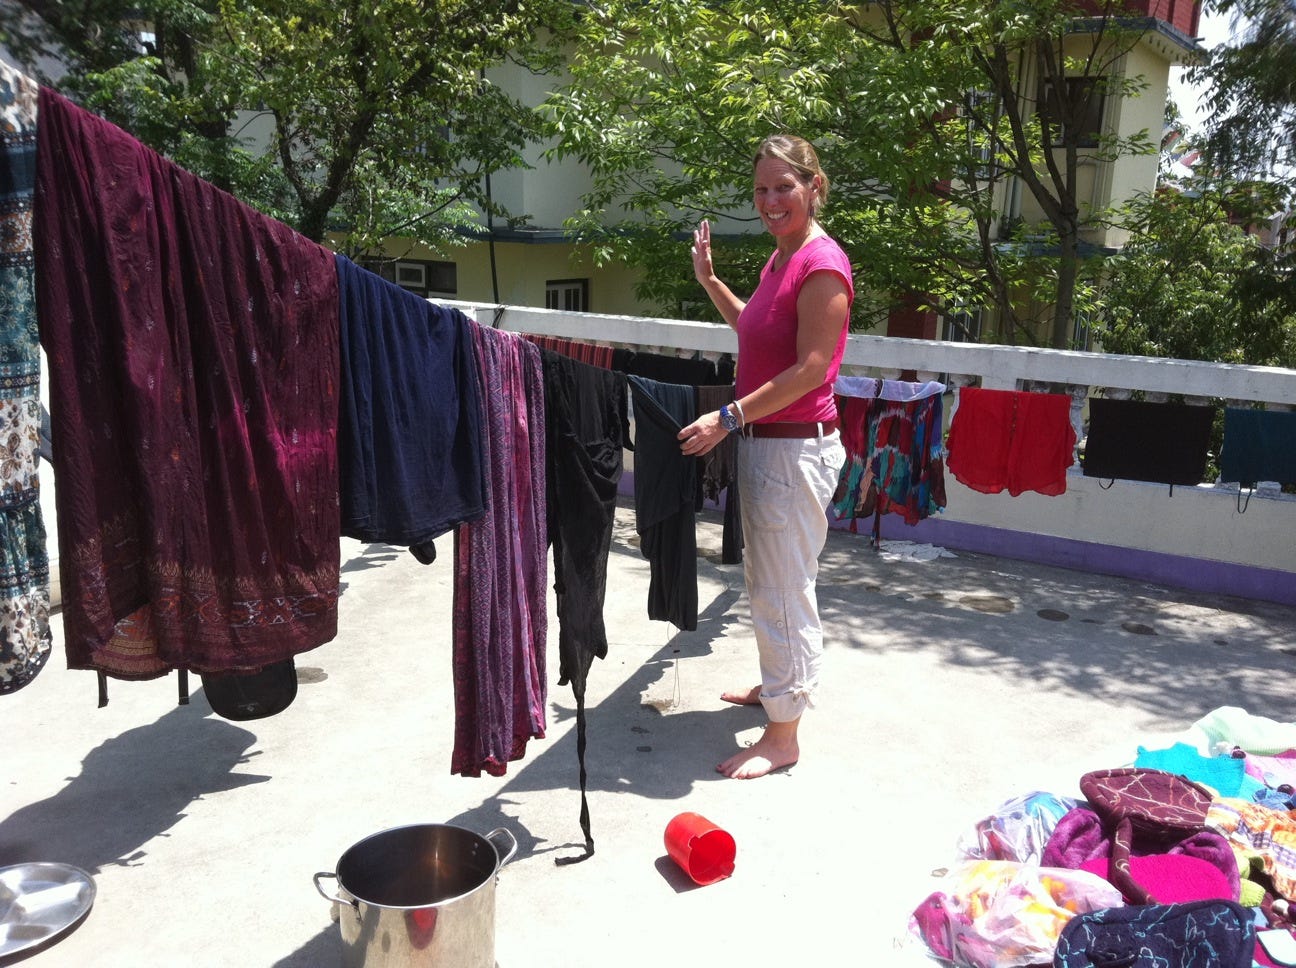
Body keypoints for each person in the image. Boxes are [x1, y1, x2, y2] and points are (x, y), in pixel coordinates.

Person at [678, 134, 853, 779]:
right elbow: (754, 331)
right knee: (770, 581)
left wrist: (727, 416)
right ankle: (781, 688)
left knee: (783, 589)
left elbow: (810, 370)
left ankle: (783, 736)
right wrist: (710, 280)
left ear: (813, 186)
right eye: (761, 189)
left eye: (785, 186)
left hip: (793, 450)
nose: (771, 200)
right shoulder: (780, 259)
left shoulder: (821, 264)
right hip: (768, 447)